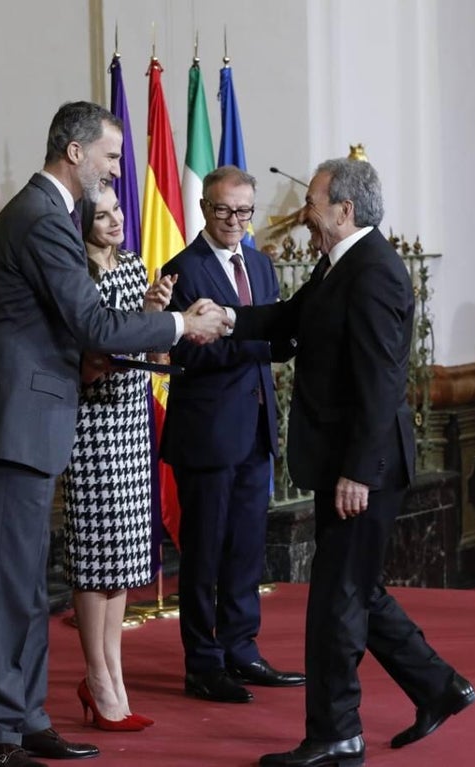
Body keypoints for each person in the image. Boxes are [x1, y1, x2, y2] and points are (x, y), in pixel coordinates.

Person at [0, 101, 230, 767]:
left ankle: (25, 716)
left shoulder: (49, 216)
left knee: (25, 584)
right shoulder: (41, 218)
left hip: (34, 420)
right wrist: (181, 326)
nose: (116, 167)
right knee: (3, 586)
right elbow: (92, 323)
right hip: (14, 423)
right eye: (109, 154)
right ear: (74, 152)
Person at [230, 158, 475, 767]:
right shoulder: (340, 265)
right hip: (347, 459)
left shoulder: (374, 273)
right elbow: (289, 321)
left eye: (312, 202)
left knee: (337, 600)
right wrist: (224, 319)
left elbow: (382, 383)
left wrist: (359, 472)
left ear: (344, 210)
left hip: (364, 467)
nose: (303, 213)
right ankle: (438, 686)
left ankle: (336, 732)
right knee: (357, 590)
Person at [160, 165, 304, 705]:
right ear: (204, 209)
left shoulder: (263, 265)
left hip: (257, 430)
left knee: (246, 548)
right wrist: (263, 341)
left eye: (245, 211)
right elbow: (186, 348)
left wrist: (282, 338)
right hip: (208, 433)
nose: (235, 221)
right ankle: (203, 661)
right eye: (224, 210)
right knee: (204, 553)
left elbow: (277, 332)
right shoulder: (183, 270)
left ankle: (242, 649)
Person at [60, 186, 173, 731]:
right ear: (81, 223)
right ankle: (96, 677)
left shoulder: (133, 266)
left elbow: (154, 354)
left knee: (124, 556)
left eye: (117, 211)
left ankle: (113, 675)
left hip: (130, 422)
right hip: (90, 423)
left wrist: (154, 315)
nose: (114, 221)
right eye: (100, 215)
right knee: (94, 558)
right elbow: (70, 354)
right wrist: (95, 361)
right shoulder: (74, 275)